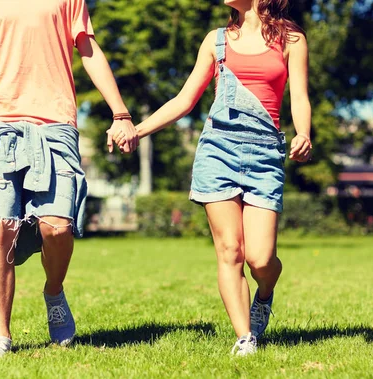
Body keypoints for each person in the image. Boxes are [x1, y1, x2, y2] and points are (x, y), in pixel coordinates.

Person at [113, 0, 312, 355]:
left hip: (266, 153)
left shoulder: (291, 40)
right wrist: (137, 131)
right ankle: (245, 337)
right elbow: (185, 99)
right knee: (230, 250)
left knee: (261, 259)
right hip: (217, 151)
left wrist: (304, 132)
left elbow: (299, 95)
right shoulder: (216, 41)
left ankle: (264, 294)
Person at [0, 0, 139, 358]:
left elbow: (88, 49)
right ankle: (0, 335)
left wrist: (121, 112)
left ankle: (53, 290)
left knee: (57, 227)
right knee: (1, 226)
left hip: (55, 123)